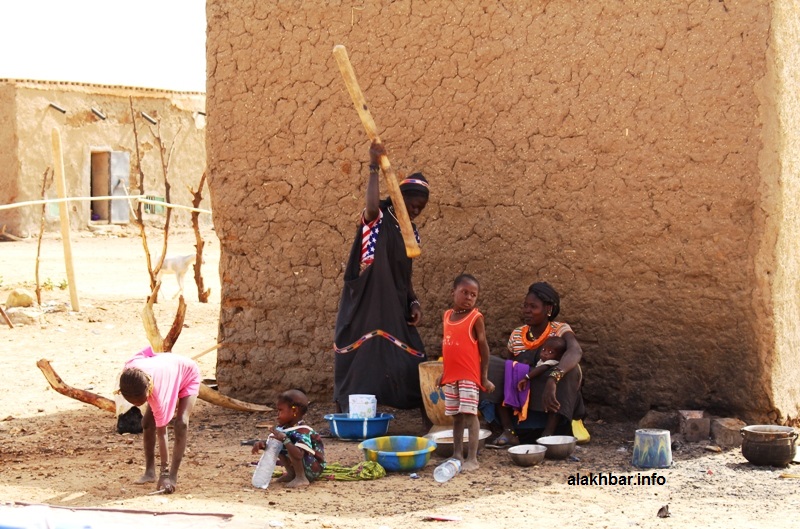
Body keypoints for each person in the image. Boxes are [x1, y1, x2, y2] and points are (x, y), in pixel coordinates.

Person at [333, 141, 430, 416]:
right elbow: (371, 207)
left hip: (393, 303)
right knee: (361, 355)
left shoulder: (412, 233)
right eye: (413, 204)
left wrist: (414, 302)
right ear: (401, 198)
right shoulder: (379, 218)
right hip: (366, 299)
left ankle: (423, 412)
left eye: (421, 208)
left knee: (412, 354)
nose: (416, 211)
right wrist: (373, 167)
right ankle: (347, 411)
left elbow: (405, 273)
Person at [481, 282, 585, 446]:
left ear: (548, 309)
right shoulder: (517, 334)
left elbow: (576, 351)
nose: (527, 311)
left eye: (533, 307)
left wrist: (553, 378)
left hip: (546, 387)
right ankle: (508, 431)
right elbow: (510, 369)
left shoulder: (559, 329)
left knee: (570, 371)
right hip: (521, 390)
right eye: (525, 306)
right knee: (489, 364)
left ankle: (547, 434)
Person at [118, 346, 201, 494]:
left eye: (141, 401)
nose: (138, 405)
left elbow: (162, 433)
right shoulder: (130, 373)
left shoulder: (158, 393)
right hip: (167, 370)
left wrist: (165, 473)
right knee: (147, 423)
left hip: (187, 375)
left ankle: (172, 476)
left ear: (148, 391)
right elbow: (144, 353)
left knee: (181, 423)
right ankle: (150, 472)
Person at [439, 274, 495, 471]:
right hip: (452, 377)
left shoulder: (475, 318)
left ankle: (472, 458)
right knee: (456, 417)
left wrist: (484, 377)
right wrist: (444, 373)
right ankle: (456, 454)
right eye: (464, 292)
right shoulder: (447, 316)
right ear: (453, 292)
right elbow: (448, 348)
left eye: (473, 294)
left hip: (469, 376)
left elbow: (484, 348)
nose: (469, 297)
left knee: (470, 416)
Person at [251, 389, 326, 488]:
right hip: (301, 461)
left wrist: (285, 440)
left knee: (286, 443)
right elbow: (277, 443)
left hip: (313, 468)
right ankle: (292, 474)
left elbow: (299, 455)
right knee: (278, 443)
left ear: (294, 410)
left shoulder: (303, 431)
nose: (277, 415)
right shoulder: (284, 428)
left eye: (280, 410)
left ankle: (301, 478)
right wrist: (263, 444)